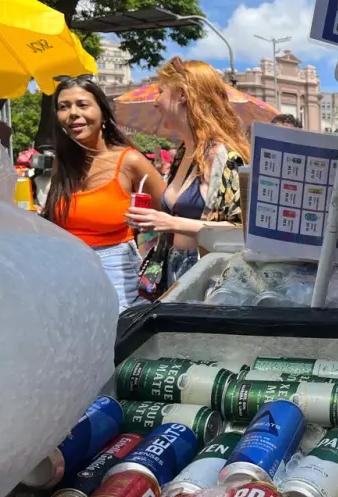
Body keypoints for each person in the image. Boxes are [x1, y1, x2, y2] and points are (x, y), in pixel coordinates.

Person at [43, 76, 167, 311]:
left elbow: (170, 214)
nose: (72, 113)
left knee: (118, 334)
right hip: (68, 274)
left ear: (102, 112)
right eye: (63, 107)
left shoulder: (130, 160)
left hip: (117, 274)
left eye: (83, 105)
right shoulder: (63, 163)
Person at [126, 57, 250, 284]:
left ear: (182, 95)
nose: (156, 102)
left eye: (161, 92)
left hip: (207, 277)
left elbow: (241, 230)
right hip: (175, 268)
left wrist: (171, 223)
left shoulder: (223, 156)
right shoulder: (184, 152)